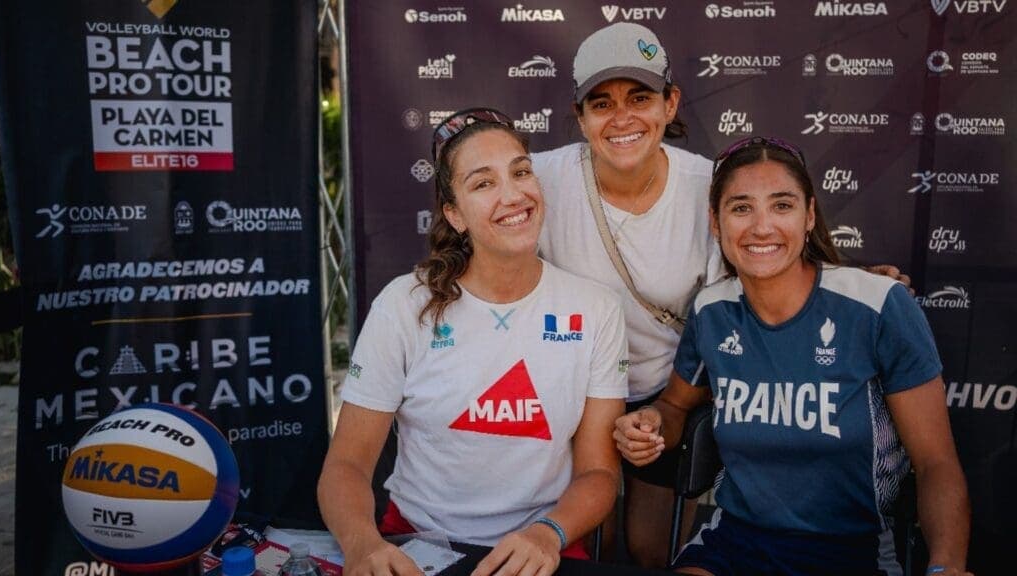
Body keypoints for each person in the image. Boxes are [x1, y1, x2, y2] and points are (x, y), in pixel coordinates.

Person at [533, 22, 911, 568]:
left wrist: (850, 278)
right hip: (573, 395)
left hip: (665, 393)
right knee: (586, 548)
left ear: (670, 103)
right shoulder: (542, 180)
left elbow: (762, 257)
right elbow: (487, 230)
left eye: (640, 98)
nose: (622, 119)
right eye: (601, 103)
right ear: (580, 116)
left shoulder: (707, 186)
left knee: (645, 549)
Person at [613, 136, 972, 576]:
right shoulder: (712, 310)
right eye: (741, 208)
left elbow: (936, 463)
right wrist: (650, 424)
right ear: (715, 221)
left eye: (781, 206)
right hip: (734, 543)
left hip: (851, 552)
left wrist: (946, 567)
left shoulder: (879, 306)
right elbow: (674, 405)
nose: (761, 227)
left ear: (810, 216)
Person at [317, 108, 629, 576]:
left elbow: (599, 474)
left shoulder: (596, 308)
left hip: (547, 545)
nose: (513, 193)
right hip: (419, 543)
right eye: (483, 183)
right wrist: (362, 544)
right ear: (454, 214)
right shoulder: (403, 305)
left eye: (521, 172)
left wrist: (549, 533)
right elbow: (346, 464)